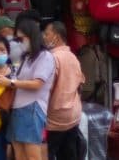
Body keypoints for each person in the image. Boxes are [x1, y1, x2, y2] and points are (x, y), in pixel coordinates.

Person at [0, 17, 56, 160]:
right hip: (19, 109)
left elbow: (37, 84)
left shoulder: (45, 56)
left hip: (32, 108)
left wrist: (10, 83)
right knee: (19, 152)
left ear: (31, 36)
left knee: (32, 153)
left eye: (22, 39)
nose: (20, 43)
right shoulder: (27, 58)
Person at [44, 21, 85, 160]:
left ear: (56, 36)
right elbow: (80, 85)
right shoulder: (73, 57)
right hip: (73, 115)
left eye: (47, 34)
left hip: (55, 118)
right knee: (69, 153)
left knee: (47, 153)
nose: (44, 37)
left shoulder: (52, 58)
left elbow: (47, 89)